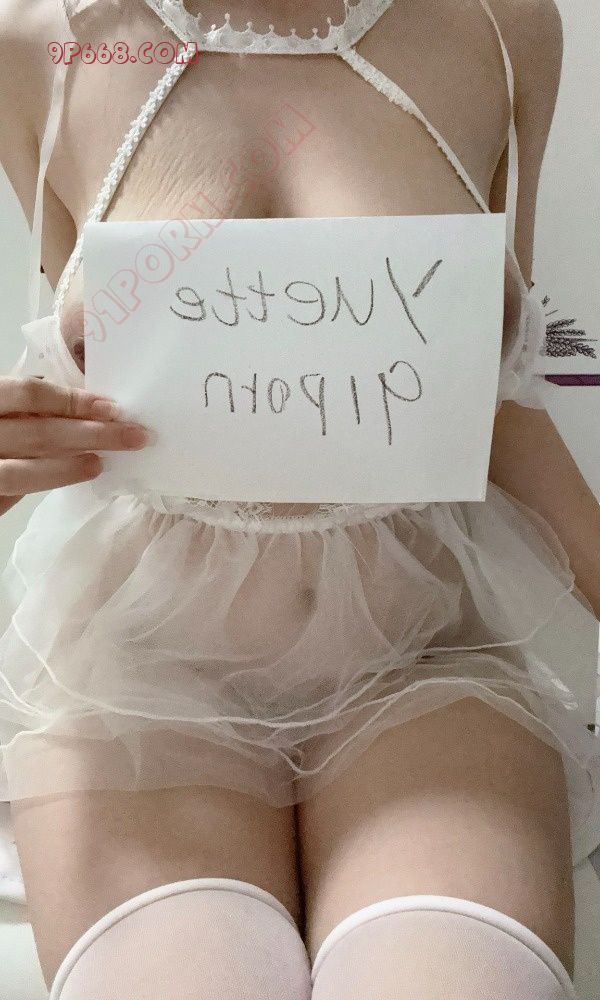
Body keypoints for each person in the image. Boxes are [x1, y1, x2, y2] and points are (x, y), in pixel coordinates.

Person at [0, 0, 599, 996]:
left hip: (422, 657)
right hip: (138, 677)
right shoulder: (44, 42)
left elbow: (493, 399)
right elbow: (66, 376)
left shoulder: (502, 29)